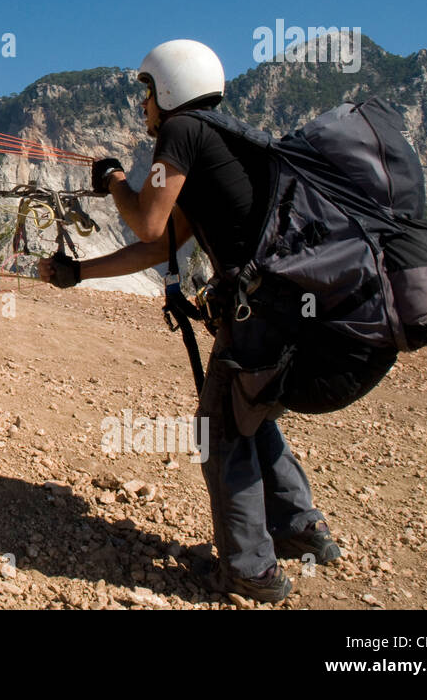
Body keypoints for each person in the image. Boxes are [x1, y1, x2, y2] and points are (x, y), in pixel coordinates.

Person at [38, 39, 392, 603]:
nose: (143, 108)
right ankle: (302, 527)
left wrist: (109, 179)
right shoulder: (221, 141)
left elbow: (148, 223)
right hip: (283, 310)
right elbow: (163, 246)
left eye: (147, 94)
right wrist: (79, 273)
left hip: (262, 314)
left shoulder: (184, 133)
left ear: (169, 88)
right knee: (253, 412)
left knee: (221, 429)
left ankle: (251, 570)